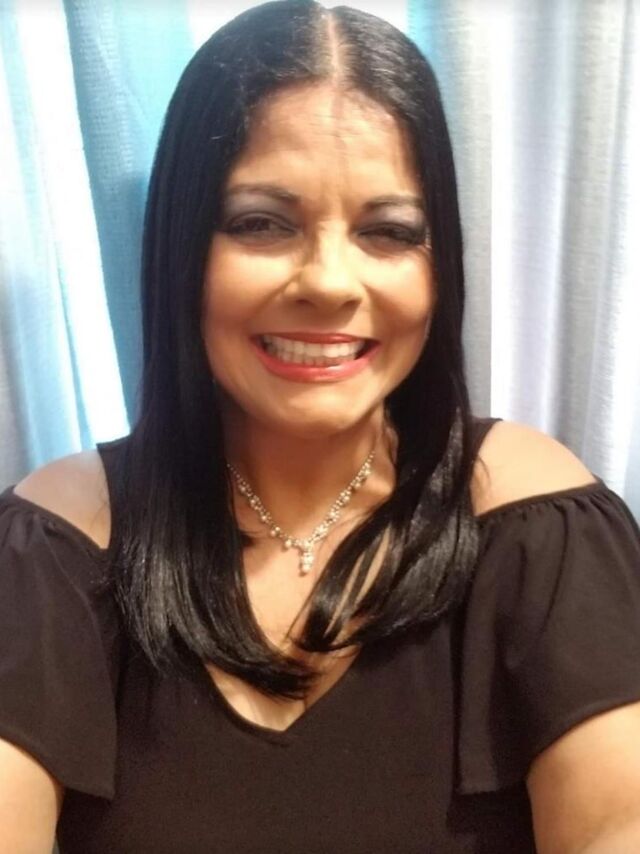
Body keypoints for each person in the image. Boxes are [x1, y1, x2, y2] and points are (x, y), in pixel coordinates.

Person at [1, 1, 640, 851]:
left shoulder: (531, 517)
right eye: (262, 223)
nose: (330, 283)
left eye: (389, 232)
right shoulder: (58, 538)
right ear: (183, 247)